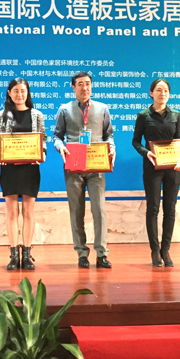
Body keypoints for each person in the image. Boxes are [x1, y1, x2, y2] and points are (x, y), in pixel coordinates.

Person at [53, 71, 115, 269]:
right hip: (73, 165)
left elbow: (108, 135)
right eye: (80, 84)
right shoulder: (64, 109)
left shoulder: (102, 108)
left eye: (87, 83)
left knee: (99, 210)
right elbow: (56, 136)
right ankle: (81, 253)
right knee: (76, 211)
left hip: (97, 166)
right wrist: (60, 147)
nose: (84, 87)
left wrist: (112, 147)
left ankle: (102, 253)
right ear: (73, 87)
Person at [0, 78, 47, 270]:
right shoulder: (2, 115)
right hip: (9, 168)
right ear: (9, 93)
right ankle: (14, 255)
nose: (19, 94)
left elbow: (43, 138)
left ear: (27, 93)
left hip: (30, 168)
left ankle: (27, 255)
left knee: (28, 211)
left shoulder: (37, 115)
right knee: (12, 211)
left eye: (23, 91)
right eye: (15, 91)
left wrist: (43, 153)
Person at [133, 79, 180, 267]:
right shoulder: (143, 115)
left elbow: (179, 141)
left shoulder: (176, 115)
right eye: (159, 90)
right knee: (153, 208)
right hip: (152, 167)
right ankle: (154, 249)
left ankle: (166, 249)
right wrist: (146, 153)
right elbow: (136, 141)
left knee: (170, 209)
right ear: (151, 93)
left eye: (166, 91)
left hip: (173, 168)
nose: (163, 94)